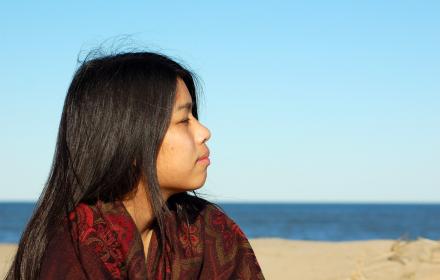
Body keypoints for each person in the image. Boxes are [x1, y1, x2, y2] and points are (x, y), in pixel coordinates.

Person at [6, 50, 265, 279]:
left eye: (195, 117)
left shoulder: (209, 230)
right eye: (184, 120)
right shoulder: (77, 250)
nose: (204, 132)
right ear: (129, 139)